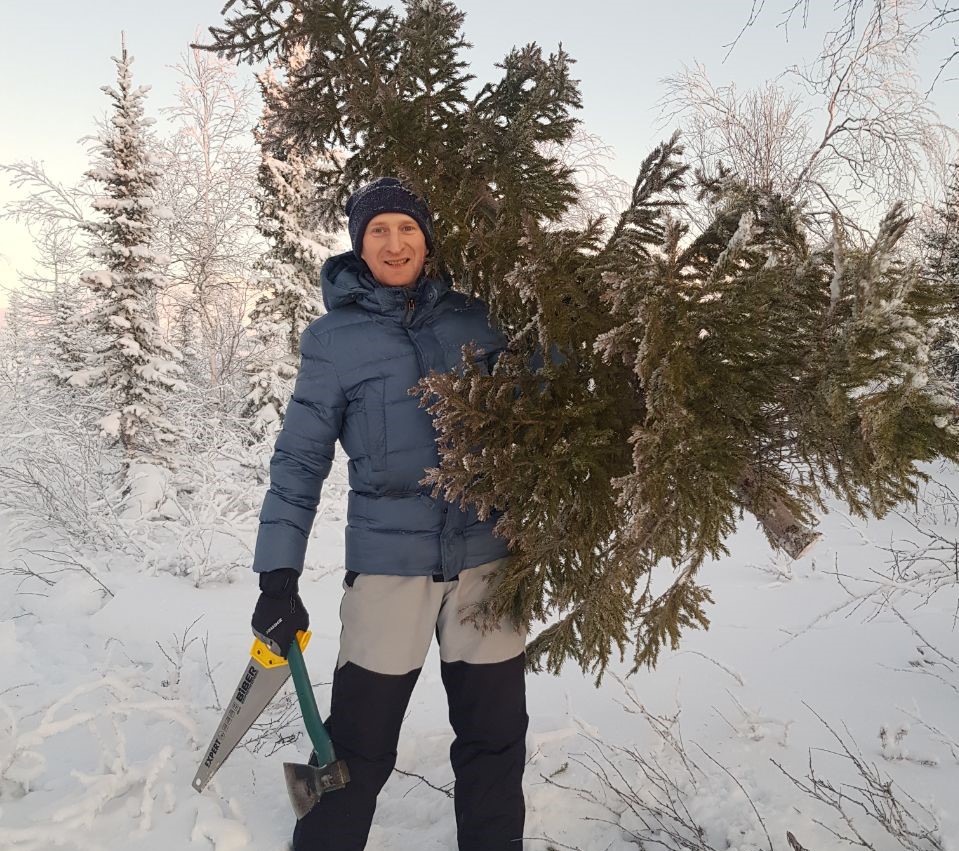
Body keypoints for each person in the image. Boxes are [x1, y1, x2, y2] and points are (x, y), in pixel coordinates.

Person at [250, 177, 528, 851]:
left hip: (487, 563)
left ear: (426, 238)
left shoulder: (477, 318)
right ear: (358, 243)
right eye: (378, 230)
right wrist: (277, 576)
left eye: (406, 228)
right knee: (355, 747)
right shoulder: (333, 340)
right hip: (387, 569)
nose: (394, 243)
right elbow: (298, 461)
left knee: (494, 742)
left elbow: (539, 402)